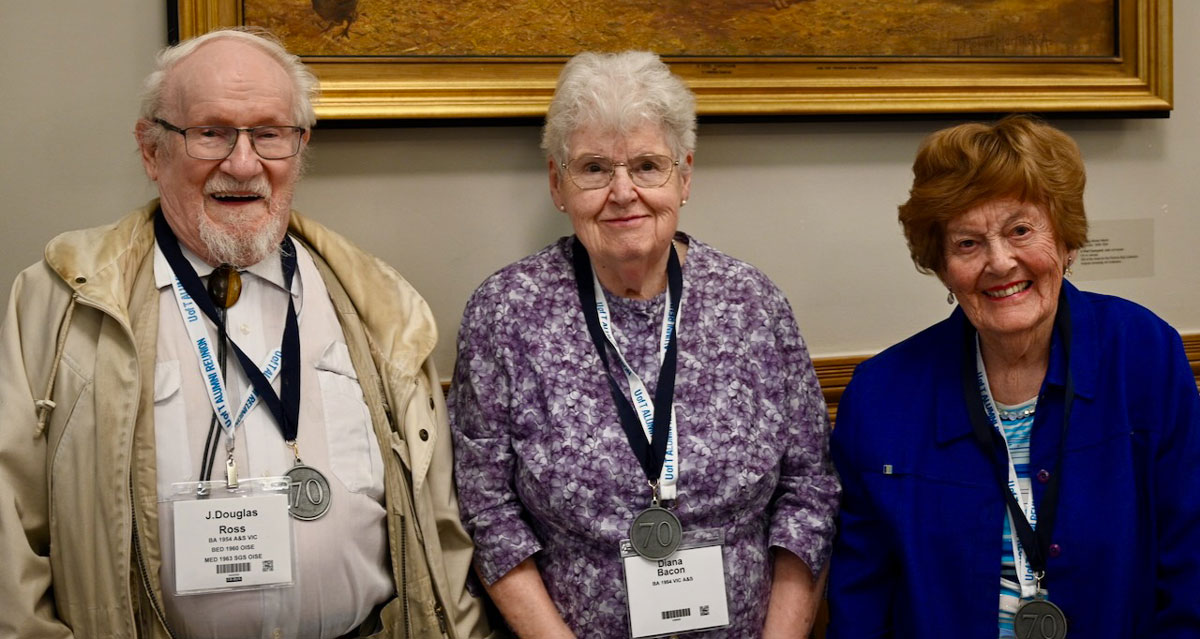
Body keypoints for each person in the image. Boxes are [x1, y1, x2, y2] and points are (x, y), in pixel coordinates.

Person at [0, 27, 493, 639]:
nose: (242, 163)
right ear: (152, 151)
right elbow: (10, 532)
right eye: (211, 132)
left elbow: (440, 532)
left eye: (269, 134)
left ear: (299, 147)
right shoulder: (61, 302)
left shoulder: (380, 306)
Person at [448, 50, 840, 639]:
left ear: (685, 176)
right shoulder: (506, 313)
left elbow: (808, 491)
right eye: (595, 168)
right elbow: (487, 510)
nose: (623, 192)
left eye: (647, 165)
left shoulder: (753, 304)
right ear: (558, 184)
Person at [826, 115, 1200, 638]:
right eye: (968, 243)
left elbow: (1190, 563)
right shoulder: (882, 395)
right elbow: (862, 597)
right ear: (942, 267)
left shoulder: (1142, 354)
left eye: (1021, 230)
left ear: (1067, 241)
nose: (1000, 262)